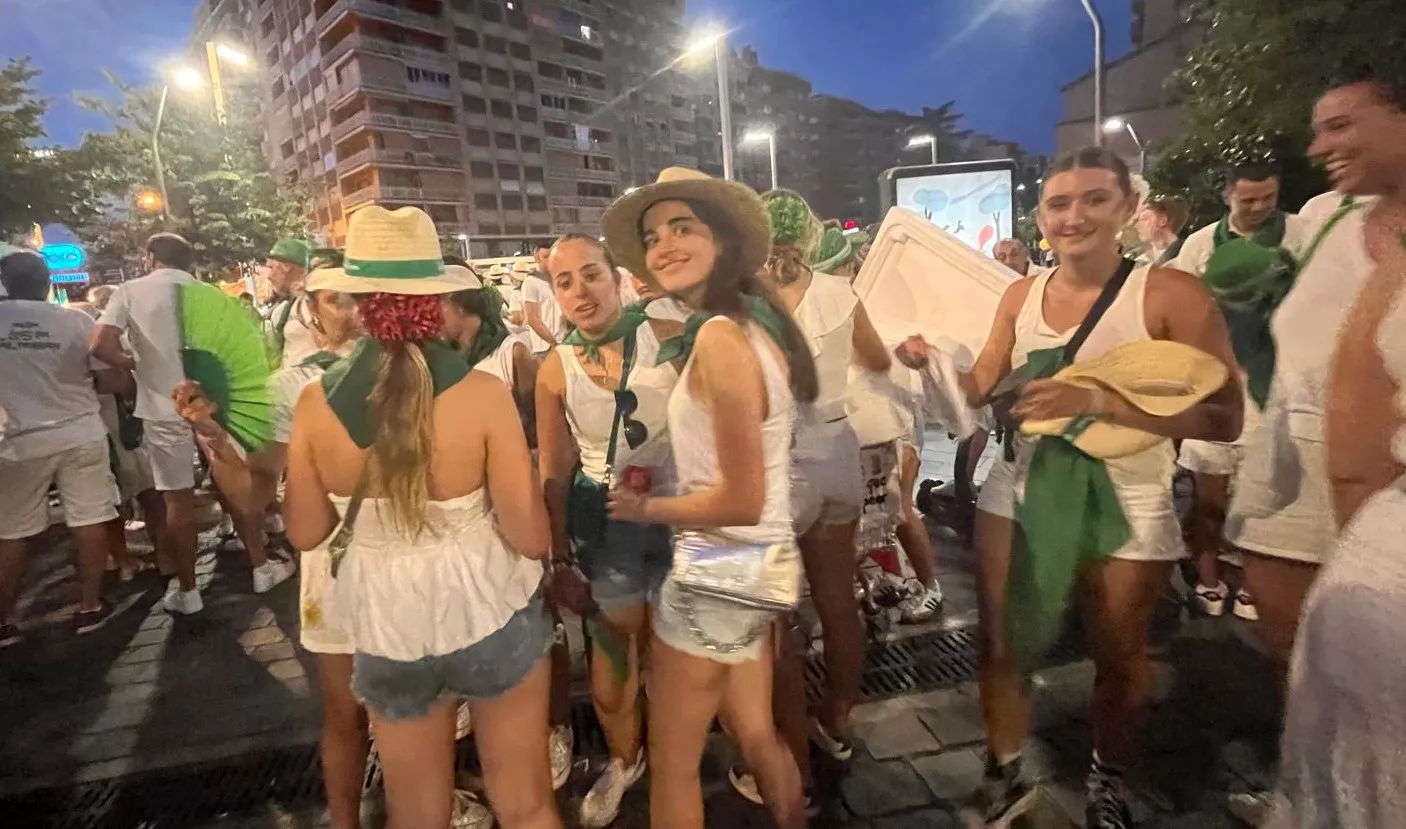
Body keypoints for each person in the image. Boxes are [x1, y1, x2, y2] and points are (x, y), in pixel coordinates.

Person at [898, 148, 1243, 827]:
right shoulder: (1021, 294)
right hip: (1021, 482)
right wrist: (933, 363)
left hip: (1129, 492)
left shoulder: (1171, 294)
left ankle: (1106, 775)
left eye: (1093, 199)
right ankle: (1003, 771)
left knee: (1116, 652)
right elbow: (978, 391)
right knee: (1003, 642)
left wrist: (1102, 404)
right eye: (1059, 203)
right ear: (1042, 215)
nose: (1074, 215)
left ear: (1126, 208)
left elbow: (1224, 413)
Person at [283, 207, 558, 829]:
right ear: (434, 301)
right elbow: (529, 536)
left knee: (416, 814)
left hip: (384, 623)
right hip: (487, 606)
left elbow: (304, 534)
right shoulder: (481, 395)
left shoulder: (313, 404)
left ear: (358, 302)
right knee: (526, 804)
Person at [602, 167, 808, 829]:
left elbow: (741, 497)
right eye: (654, 234)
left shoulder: (721, 338)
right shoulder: (751, 328)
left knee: (673, 758)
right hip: (757, 568)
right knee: (753, 729)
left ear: (721, 239)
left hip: (721, 570)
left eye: (682, 227)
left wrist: (646, 509)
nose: (663, 244)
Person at [1226, 69, 1406, 826]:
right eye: (1318, 127)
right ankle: (1307, 777)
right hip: (1294, 455)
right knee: (1296, 650)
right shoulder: (1325, 218)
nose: (1320, 144)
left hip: (1387, 488)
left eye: (1342, 124)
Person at [173, 265, 366, 829]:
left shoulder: (410, 371)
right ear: (313, 308)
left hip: (412, 560)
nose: (352, 311)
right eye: (338, 300)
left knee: (426, 703)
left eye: (363, 299)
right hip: (332, 561)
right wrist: (210, 435)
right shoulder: (290, 386)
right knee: (343, 710)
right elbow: (254, 496)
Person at [535, 235, 682, 827]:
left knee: (677, 658)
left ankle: (674, 757)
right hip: (608, 527)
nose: (580, 291)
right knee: (610, 668)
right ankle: (627, 760)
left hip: (681, 518)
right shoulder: (556, 367)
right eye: (564, 282)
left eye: (590, 274)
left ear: (617, 276)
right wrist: (558, 553)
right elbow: (554, 466)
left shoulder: (668, 338)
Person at [756, 188, 896, 761]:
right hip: (839, 450)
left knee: (776, 613)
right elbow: (880, 360)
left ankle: (786, 740)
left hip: (781, 461)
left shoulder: (748, 300)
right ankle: (837, 720)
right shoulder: (842, 291)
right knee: (838, 599)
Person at [0, 251, 129, 644]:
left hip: (19, 440)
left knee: (11, 532)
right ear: (47, 283)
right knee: (88, 519)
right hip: (80, 433)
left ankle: (4, 621)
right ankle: (89, 606)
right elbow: (109, 383)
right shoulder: (75, 320)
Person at [90, 233, 208, 615]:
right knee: (226, 477)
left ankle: (189, 589)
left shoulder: (130, 291)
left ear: (151, 255)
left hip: (161, 405)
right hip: (209, 403)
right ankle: (258, 560)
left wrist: (135, 363)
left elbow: (100, 345)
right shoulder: (206, 292)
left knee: (177, 498)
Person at [73, 287, 166, 582]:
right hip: (117, 427)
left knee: (108, 502)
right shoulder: (107, 338)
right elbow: (114, 382)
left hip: (85, 431)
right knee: (149, 492)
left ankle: (122, 561)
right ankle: (166, 557)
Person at [440, 257, 538, 431]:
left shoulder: (512, 353)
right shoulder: (437, 357)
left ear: (460, 303)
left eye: (436, 304)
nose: (428, 317)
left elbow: (538, 422)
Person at [1172, 164, 1310, 277]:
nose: (1259, 207)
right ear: (1226, 198)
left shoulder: (1303, 231)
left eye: (1268, 197)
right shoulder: (1199, 244)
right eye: (1248, 201)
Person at [263, 238, 317, 367]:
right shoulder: (282, 309)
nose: (268, 276)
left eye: (271, 267)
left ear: (286, 267)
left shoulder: (316, 300)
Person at [521, 242, 569, 355]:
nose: (549, 261)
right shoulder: (531, 282)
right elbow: (532, 318)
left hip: (564, 343)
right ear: (537, 256)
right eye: (545, 256)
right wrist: (553, 343)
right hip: (544, 348)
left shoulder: (558, 281)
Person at [1136, 195, 1190, 266]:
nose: (1137, 226)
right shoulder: (1142, 261)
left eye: (1144, 219)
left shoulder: (1189, 254)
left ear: (1163, 220)